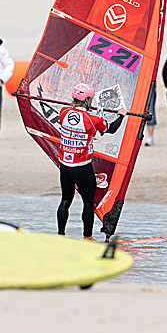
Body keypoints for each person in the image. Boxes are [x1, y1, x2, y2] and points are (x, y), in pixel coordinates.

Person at [56, 83, 126, 239]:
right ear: (87, 100)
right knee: (88, 203)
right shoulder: (92, 119)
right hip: (82, 168)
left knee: (66, 200)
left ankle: (60, 235)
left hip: (65, 166)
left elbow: (78, 118)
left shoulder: (63, 112)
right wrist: (121, 115)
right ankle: (87, 237)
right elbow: (111, 128)